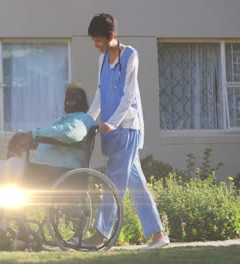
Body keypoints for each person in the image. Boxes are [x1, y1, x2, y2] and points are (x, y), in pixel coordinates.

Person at [0, 82, 98, 250]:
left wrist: (33, 134)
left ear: (81, 101)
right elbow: (50, 136)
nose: (70, 99)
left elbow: (70, 134)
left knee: (12, 169)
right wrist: (22, 137)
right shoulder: (63, 120)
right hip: (45, 172)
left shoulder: (83, 119)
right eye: (68, 96)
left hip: (59, 175)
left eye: (74, 96)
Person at [84, 13, 170, 250]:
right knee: (136, 181)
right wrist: (86, 121)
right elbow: (101, 95)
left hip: (127, 126)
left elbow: (129, 95)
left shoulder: (131, 56)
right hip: (111, 129)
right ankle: (158, 235)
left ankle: (101, 235)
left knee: (113, 180)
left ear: (112, 36)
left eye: (99, 40)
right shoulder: (102, 60)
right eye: (93, 40)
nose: (95, 44)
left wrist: (112, 122)